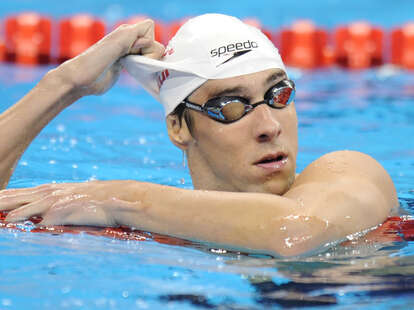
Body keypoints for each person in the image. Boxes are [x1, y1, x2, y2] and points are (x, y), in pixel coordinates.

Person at [0, 14, 398, 257]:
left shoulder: (351, 174)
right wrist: (63, 85)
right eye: (231, 106)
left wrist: (119, 198)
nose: (269, 126)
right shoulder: (147, 220)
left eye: (279, 95)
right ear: (178, 126)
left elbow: (295, 230)